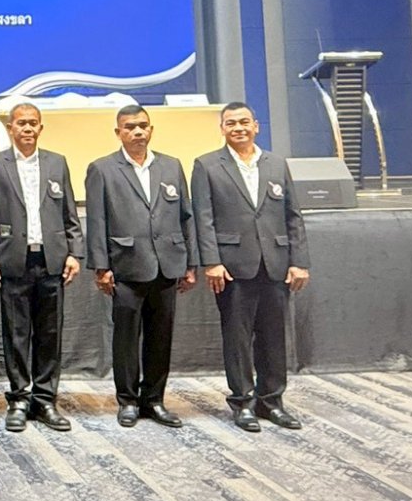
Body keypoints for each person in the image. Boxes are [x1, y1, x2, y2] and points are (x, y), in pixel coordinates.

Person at [191, 102, 311, 432]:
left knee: (274, 338)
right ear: (222, 129)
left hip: (276, 265)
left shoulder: (276, 163)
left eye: (244, 122)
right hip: (232, 267)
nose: (238, 128)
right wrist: (212, 261)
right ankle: (242, 402)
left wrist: (299, 261)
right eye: (231, 123)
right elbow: (203, 219)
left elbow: (293, 216)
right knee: (238, 338)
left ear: (256, 126)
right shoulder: (206, 165)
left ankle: (271, 401)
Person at [84, 105, 196, 429]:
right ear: (118, 132)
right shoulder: (102, 169)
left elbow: (185, 216)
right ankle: (128, 401)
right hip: (126, 266)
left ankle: (154, 399)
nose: (137, 132)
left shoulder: (171, 166)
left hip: (167, 264)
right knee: (126, 338)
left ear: (151, 130)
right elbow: (97, 220)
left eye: (143, 126)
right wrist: (101, 266)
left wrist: (190, 263)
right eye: (130, 127)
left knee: (161, 337)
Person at [0, 103, 83, 432]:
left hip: (52, 260)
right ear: (11, 128)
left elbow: (69, 213)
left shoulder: (57, 162)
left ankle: (45, 399)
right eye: (21, 123)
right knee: (16, 333)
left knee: (50, 334)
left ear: (41, 128)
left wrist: (75, 253)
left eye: (33, 123)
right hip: (13, 260)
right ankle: (19, 399)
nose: (27, 128)